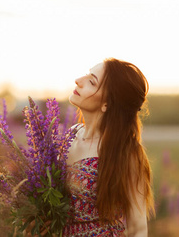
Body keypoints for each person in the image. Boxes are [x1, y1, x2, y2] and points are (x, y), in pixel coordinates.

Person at [63, 57, 155, 236]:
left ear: (107, 103)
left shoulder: (126, 152)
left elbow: (138, 229)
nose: (78, 81)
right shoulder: (70, 135)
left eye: (91, 81)